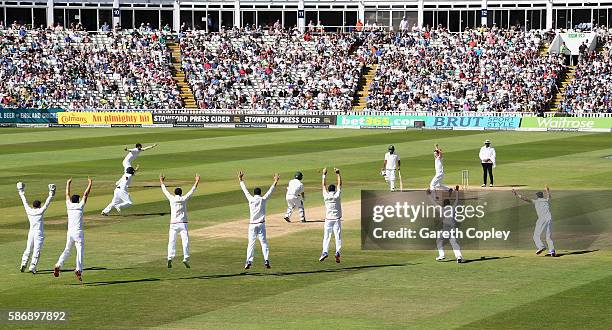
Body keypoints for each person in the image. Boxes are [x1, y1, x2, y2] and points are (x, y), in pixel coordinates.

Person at [54, 177, 93, 282]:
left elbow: (67, 194)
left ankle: (58, 264)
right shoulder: (80, 206)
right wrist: (90, 183)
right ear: (78, 200)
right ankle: (78, 269)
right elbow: (86, 194)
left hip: (70, 232)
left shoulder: (68, 205)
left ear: (71, 200)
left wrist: (68, 183)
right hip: (78, 233)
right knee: (79, 251)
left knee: (67, 250)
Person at [239, 171, 279, 270]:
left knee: (251, 243)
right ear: (260, 193)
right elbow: (270, 191)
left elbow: (245, 190)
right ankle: (266, 259)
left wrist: (240, 179)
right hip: (261, 224)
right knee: (264, 242)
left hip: (252, 225)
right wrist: (275, 181)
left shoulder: (250, 199)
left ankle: (249, 261)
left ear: (254, 193)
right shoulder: (263, 199)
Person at [160, 174, 200, 268]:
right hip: (183, 223)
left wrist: (161, 181)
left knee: (171, 241)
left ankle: (170, 257)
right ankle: (186, 258)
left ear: (175, 193)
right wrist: (197, 181)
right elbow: (192, 191)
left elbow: (164, 190)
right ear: (181, 193)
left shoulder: (172, 198)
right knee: (185, 241)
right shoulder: (184, 199)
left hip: (173, 224)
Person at [17, 182, 55, 274]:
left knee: (28, 248)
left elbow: (24, 201)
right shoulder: (41, 211)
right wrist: (51, 193)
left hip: (31, 232)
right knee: (36, 250)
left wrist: (21, 191)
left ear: (33, 205)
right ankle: (32, 266)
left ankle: (24, 263)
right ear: (39, 205)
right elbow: (47, 204)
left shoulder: (29, 210)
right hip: (39, 233)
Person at [512, 186, 556, 257]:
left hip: (542, 219)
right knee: (548, 237)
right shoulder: (546, 200)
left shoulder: (535, 201)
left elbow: (525, 199)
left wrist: (517, 194)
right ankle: (552, 251)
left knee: (536, 236)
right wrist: (547, 190)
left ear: (537, 196)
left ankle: (541, 247)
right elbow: (549, 196)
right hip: (549, 219)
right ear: (542, 196)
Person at [428, 187, 463, 263]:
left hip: (446, 229)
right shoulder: (453, 208)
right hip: (453, 228)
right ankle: (458, 256)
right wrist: (457, 192)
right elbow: (457, 200)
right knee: (454, 242)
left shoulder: (442, 209)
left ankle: (441, 255)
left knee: (439, 240)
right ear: (449, 204)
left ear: (444, 204)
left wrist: (429, 195)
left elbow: (434, 203)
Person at [319, 168, 342, 263]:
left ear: (328, 190)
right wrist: (338, 174)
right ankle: (337, 252)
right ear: (335, 190)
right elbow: (340, 184)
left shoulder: (326, 195)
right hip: (337, 219)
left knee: (326, 236)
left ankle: (325, 251)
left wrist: (324, 174)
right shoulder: (337, 196)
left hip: (328, 219)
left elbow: (323, 185)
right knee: (338, 236)